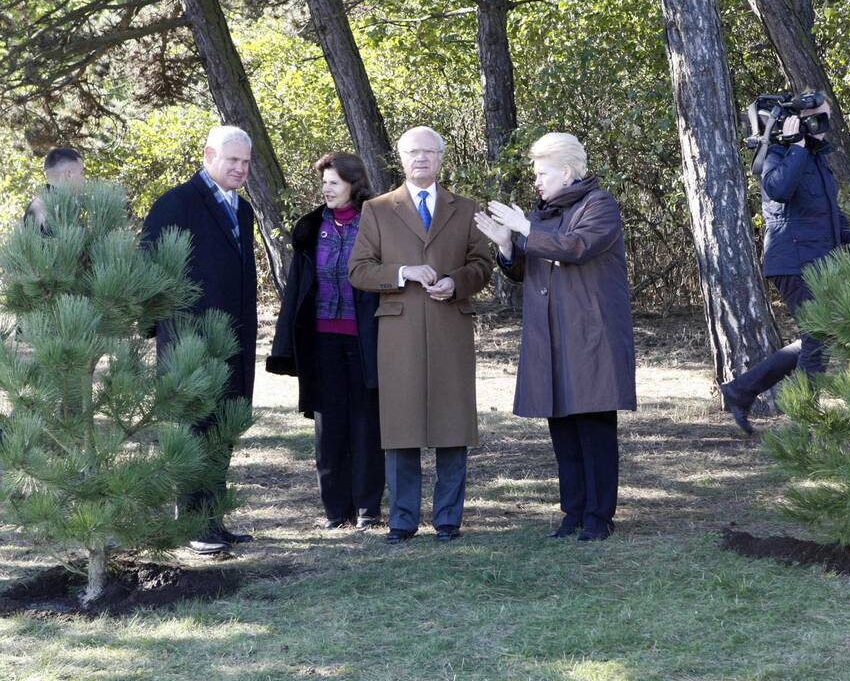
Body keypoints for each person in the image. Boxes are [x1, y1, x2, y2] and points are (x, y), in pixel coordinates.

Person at [475, 132, 636, 542]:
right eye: (536, 174)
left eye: (543, 173)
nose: (538, 181)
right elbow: (524, 269)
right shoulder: (542, 213)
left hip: (589, 333)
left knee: (593, 424)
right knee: (561, 425)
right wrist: (508, 245)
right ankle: (573, 513)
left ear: (566, 171)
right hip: (549, 334)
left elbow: (576, 247)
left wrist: (525, 227)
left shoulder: (598, 205)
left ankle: (599, 517)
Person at [348, 125, 493, 544]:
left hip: (450, 324)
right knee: (401, 424)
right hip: (399, 329)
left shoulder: (464, 208)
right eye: (413, 152)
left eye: (429, 152)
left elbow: (482, 264)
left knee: (452, 422)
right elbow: (358, 270)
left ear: (442, 158)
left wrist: (456, 281)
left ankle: (448, 519)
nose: (421, 159)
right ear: (401, 158)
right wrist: (402, 273)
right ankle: (402, 520)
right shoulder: (377, 208)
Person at [719, 99, 850, 434]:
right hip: (792, 260)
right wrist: (796, 146)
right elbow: (776, 189)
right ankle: (804, 424)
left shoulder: (818, 160)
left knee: (816, 337)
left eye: (827, 118)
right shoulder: (778, 152)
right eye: (818, 118)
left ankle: (740, 391)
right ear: (798, 121)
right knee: (817, 339)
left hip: (818, 261)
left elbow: (834, 217)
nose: (825, 125)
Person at [142, 126, 258, 555]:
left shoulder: (242, 210)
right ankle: (192, 525)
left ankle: (213, 521)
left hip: (234, 342)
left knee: (222, 432)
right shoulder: (176, 203)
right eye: (233, 161)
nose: (240, 169)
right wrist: (165, 331)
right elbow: (148, 269)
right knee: (193, 432)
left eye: (246, 163)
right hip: (189, 344)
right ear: (209, 155)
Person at [266, 152, 385, 530]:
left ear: (353, 184)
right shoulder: (312, 227)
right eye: (324, 183)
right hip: (322, 342)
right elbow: (298, 290)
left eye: (334, 182)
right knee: (328, 427)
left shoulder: (375, 223)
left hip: (367, 340)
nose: (327, 189)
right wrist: (284, 346)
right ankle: (336, 512)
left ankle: (368, 510)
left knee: (367, 425)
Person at [24, 147, 85, 231]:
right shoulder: (49, 207)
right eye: (82, 173)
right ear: (69, 174)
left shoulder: (37, 203)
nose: (83, 179)